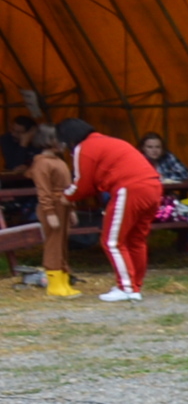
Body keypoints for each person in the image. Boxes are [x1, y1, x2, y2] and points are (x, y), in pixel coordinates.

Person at [57, 120, 160, 303]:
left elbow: (83, 185)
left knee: (112, 241)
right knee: (136, 239)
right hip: (153, 186)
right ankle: (134, 285)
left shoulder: (85, 148)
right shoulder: (111, 141)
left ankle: (126, 288)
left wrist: (65, 196)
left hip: (129, 188)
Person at [28, 128, 75, 295]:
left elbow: (68, 187)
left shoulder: (60, 161)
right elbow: (43, 190)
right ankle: (54, 283)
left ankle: (63, 278)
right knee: (53, 244)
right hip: (53, 207)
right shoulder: (42, 163)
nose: (64, 144)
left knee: (62, 244)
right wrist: (49, 212)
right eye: (60, 140)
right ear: (49, 140)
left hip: (63, 206)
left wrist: (72, 209)